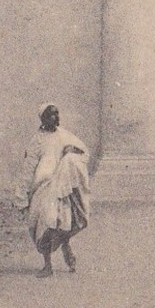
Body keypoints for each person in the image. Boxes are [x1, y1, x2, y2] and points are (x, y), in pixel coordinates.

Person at [22, 104, 91, 277]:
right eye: (51, 114)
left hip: (62, 187)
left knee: (61, 222)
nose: (56, 117)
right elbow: (28, 167)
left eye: (57, 113)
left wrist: (71, 151)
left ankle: (66, 248)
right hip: (43, 187)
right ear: (43, 118)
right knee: (46, 223)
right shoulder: (37, 140)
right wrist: (21, 195)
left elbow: (84, 153)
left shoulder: (65, 135)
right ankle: (47, 265)